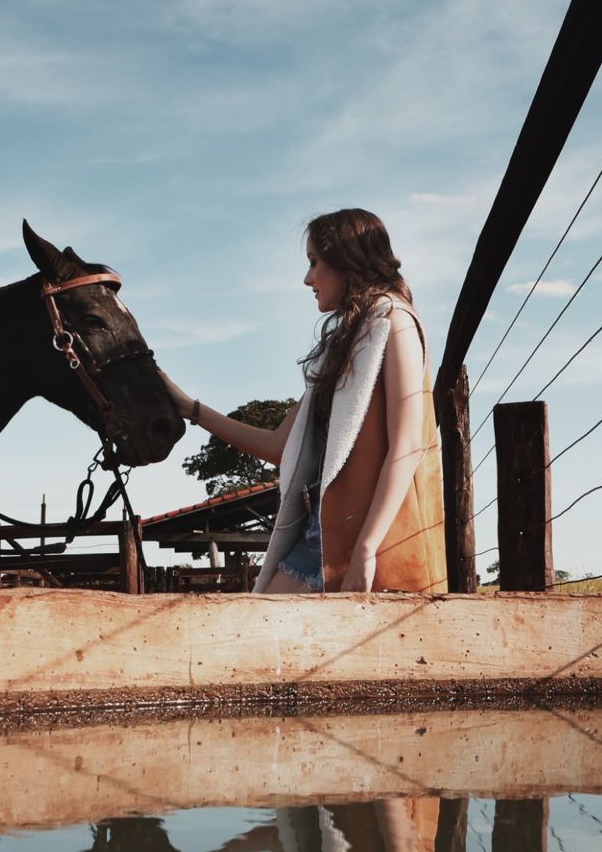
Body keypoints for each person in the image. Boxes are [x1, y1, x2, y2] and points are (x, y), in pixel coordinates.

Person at [160, 208, 447, 593]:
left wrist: (366, 547)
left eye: (314, 262)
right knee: (258, 642)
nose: (308, 278)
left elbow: (408, 445)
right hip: (320, 537)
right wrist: (189, 409)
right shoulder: (345, 346)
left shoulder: (394, 321)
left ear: (348, 260)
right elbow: (280, 446)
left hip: (373, 541)